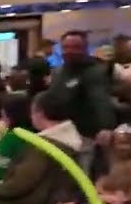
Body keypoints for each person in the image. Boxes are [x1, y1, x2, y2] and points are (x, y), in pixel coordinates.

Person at [48, 30, 115, 165]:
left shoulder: (95, 71)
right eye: (65, 47)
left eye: (75, 47)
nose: (69, 51)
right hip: (59, 133)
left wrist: (106, 127)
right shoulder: (58, 72)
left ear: (85, 49)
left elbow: (101, 101)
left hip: (85, 136)